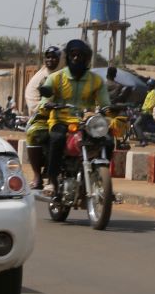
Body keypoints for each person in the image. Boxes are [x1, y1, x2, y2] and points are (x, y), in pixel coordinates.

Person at [40, 38, 111, 194]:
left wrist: (108, 109)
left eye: (80, 55)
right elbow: (45, 98)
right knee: (57, 139)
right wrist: (47, 103)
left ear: (86, 58)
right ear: (68, 57)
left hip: (86, 121)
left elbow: (105, 103)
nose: (76, 58)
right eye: (73, 54)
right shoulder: (56, 78)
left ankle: (102, 180)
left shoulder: (97, 80)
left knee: (108, 140)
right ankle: (51, 180)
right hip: (61, 120)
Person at [23, 46, 62, 188]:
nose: (50, 60)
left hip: (62, 114)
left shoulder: (62, 74)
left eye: (54, 57)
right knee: (33, 132)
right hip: (42, 115)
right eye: (48, 57)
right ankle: (37, 176)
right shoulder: (43, 77)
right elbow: (42, 100)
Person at [134, 78, 155, 146]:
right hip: (145, 112)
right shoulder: (150, 92)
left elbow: (152, 104)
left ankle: (143, 141)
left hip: (147, 113)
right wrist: (140, 108)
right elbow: (146, 103)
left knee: (136, 124)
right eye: (147, 85)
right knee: (139, 125)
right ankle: (142, 140)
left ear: (152, 85)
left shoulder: (154, 92)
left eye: (149, 85)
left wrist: (143, 109)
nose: (147, 86)